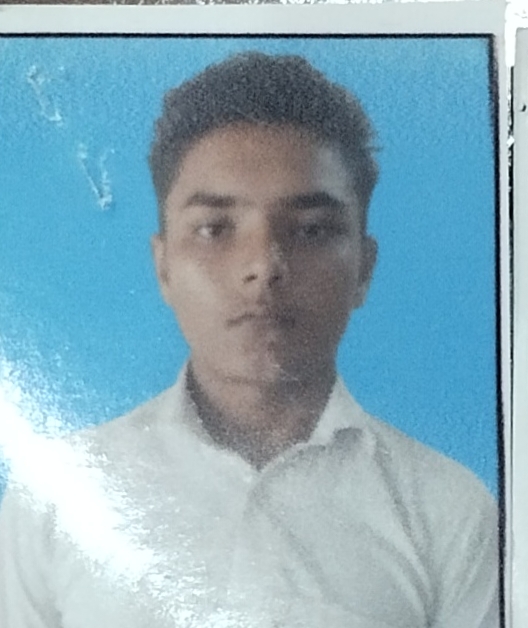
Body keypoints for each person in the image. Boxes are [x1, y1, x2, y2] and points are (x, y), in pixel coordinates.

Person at [0, 52, 498, 627]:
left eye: (311, 229)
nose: (263, 266)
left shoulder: (449, 512)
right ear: (163, 267)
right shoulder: (57, 499)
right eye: (215, 229)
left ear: (364, 268)